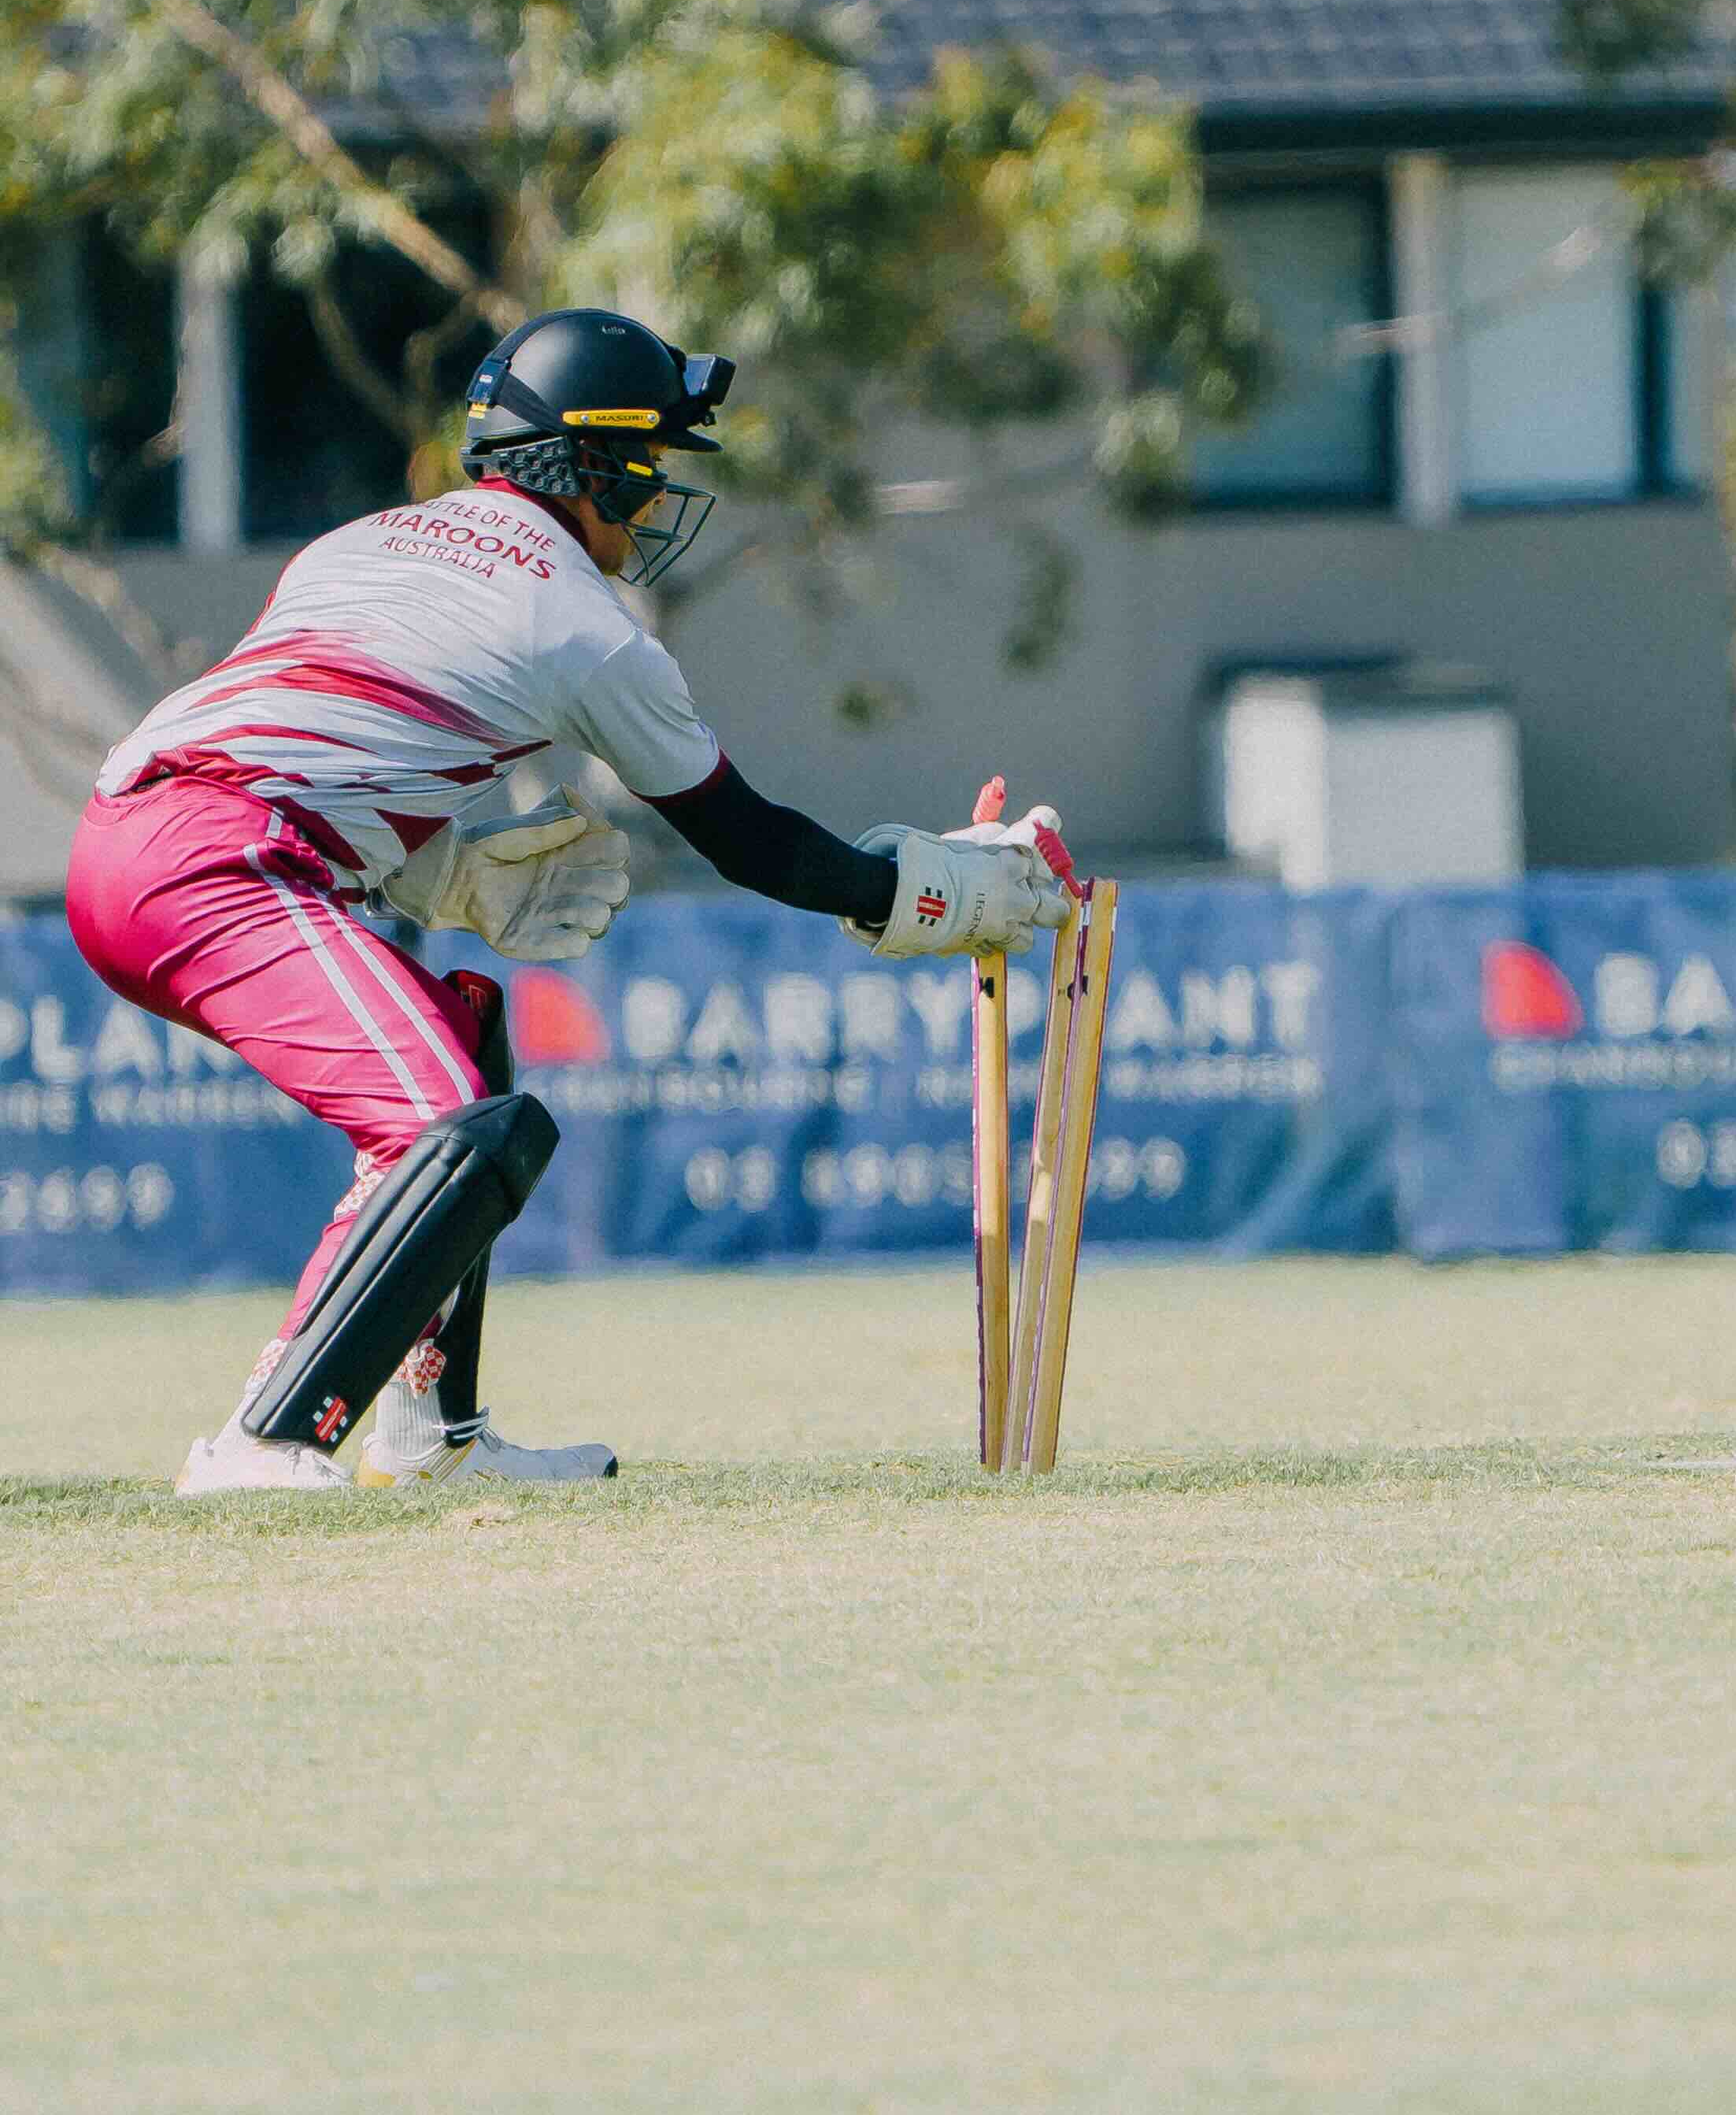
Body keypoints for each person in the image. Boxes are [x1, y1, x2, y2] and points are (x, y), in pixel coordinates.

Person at [68, 306, 1079, 1498]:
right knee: (456, 1127)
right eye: (645, 463)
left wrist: (432, 868)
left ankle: (431, 1437)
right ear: (588, 459)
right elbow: (755, 845)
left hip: (144, 835)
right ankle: (266, 1439)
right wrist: (954, 887)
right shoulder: (588, 627)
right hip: (215, 863)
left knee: (466, 1040)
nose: (653, 500)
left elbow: (306, 735)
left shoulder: (358, 543)